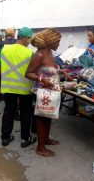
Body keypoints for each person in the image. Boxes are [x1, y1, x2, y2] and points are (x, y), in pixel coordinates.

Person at [0, 27, 36, 147]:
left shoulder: (4, 49)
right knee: (25, 113)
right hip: (25, 89)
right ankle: (25, 139)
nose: (29, 42)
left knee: (8, 112)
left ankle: (5, 138)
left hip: (8, 88)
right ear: (27, 38)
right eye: (29, 39)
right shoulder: (30, 53)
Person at [25, 28, 64, 157]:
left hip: (51, 92)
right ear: (50, 41)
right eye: (57, 41)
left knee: (48, 116)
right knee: (42, 119)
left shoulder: (50, 53)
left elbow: (48, 70)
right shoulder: (39, 55)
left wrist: (60, 71)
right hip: (42, 92)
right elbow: (28, 73)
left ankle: (46, 139)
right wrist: (42, 79)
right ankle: (40, 147)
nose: (59, 44)